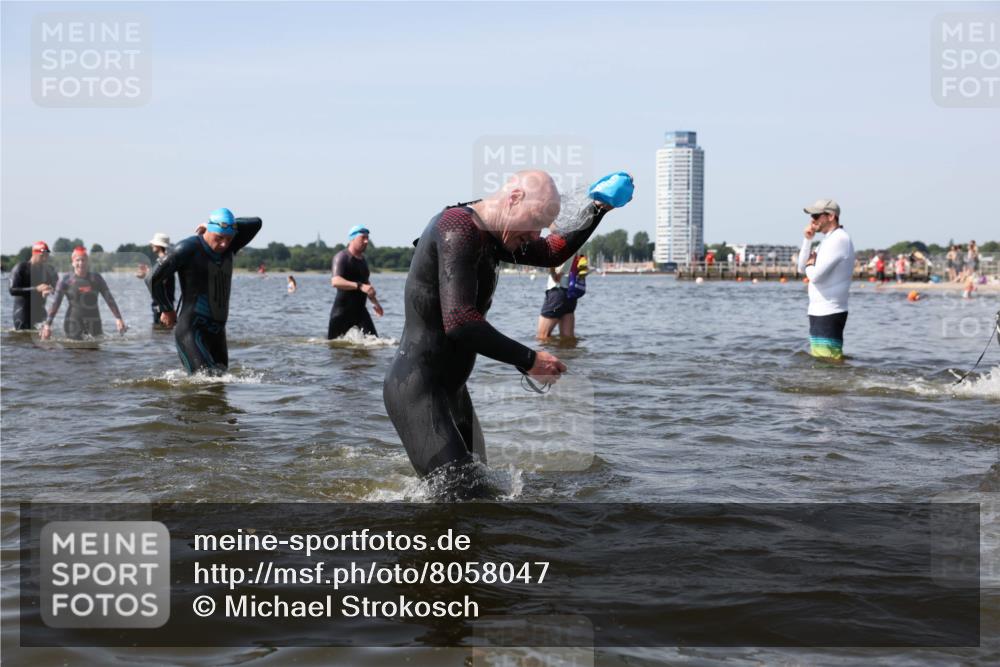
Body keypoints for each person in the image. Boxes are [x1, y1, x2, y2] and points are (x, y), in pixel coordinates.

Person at [383, 169, 633, 480]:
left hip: (454, 390)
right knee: (461, 494)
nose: (535, 236)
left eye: (541, 228)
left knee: (478, 496)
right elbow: (459, 321)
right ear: (514, 199)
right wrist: (529, 359)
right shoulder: (458, 228)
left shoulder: (492, 235)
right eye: (534, 224)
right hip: (418, 389)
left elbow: (554, 251)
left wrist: (596, 209)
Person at [149, 208, 262, 374]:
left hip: (217, 333)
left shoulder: (230, 246)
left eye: (228, 238)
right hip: (191, 331)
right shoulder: (187, 248)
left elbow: (256, 222)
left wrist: (226, 225)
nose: (224, 244)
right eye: (219, 238)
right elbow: (153, 278)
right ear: (209, 231)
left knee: (220, 383)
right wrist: (166, 309)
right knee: (205, 382)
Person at [797, 198, 855, 361]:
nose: (812, 220)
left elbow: (814, 276)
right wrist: (808, 240)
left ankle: (837, 386)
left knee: (828, 363)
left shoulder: (839, 239)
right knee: (822, 362)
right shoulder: (827, 240)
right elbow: (801, 268)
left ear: (830, 216)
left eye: (816, 216)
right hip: (819, 310)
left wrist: (810, 263)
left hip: (830, 310)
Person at [41, 246, 126, 340]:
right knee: (74, 352)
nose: (81, 263)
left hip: (94, 324)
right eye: (78, 260)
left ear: (87, 262)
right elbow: (55, 303)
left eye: (83, 260)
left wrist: (118, 318)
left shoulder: (96, 278)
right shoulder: (65, 280)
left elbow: (109, 299)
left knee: (96, 352)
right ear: (73, 262)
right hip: (72, 324)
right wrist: (47, 325)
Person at [327, 224, 383, 339]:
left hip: (360, 312)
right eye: (363, 238)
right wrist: (359, 286)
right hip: (342, 313)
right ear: (352, 238)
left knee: (375, 343)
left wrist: (375, 302)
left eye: (367, 238)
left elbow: (366, 285)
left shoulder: (363, 261)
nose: (366, 241)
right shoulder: (342, 257)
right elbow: (335, 281)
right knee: (335, 347)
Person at [8, 241, 59, 330]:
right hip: (23, 313)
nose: (45, 258)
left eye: (46, 255)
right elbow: (12, 290)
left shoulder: (49, 270)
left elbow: (56, 286)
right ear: (34, 253)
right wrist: (36, 289)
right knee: (23, 340)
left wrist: (50, 290)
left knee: (44, 341)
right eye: (42, 255)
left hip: (41, 312)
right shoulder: (21, 268)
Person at [536, 254, 588, 340]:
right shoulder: (577, 241)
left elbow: (553, 260)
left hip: (557, 290)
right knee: (568, 339)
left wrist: (554, 272)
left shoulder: (561, 241)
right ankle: (566, 354)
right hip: (570, 292)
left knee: (542, 337)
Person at [135, 233, 175, 329]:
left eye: (154, 243)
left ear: (159, 245)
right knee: (161, 332)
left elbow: (161, 280)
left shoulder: (164, 261)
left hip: (163, 306)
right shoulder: (163, 260)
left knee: (161, 332)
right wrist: (147, 273)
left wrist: (148, 273)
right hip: (162, 305)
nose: (151, 245)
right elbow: (158, 279)